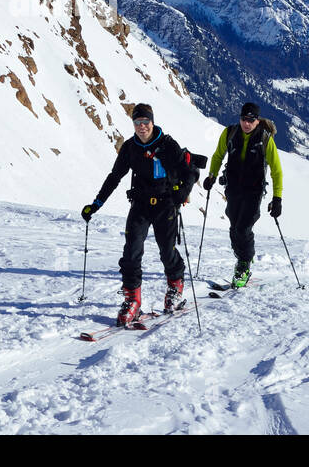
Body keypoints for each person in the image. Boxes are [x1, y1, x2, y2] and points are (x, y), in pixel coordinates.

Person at [81, 103, 197, 324]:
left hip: (166, 205)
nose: (142, 127)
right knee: (131, 251)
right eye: (138, 123)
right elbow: (115, 177)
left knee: (166, 250)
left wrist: (182, 193)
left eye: (146, 122)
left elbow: (190, 172)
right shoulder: (130, 148)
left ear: (152, 122)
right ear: (133, 124)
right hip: (141, 205)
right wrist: (96, 205)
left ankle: (175, 287)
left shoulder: (168, 145)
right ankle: (132, 300)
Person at [204, 102, 283, 288]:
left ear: (257, 121)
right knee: (234, 227)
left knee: (243, 228)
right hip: (233, 188)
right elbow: (218, 156)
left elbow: (276, 170)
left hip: (253, 191)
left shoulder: (265, 139)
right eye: (243, 119)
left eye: (251, 120)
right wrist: (212, 175)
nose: (246, 123)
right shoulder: (230, 133)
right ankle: (242, 257)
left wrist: (277, 198)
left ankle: (244, 264)